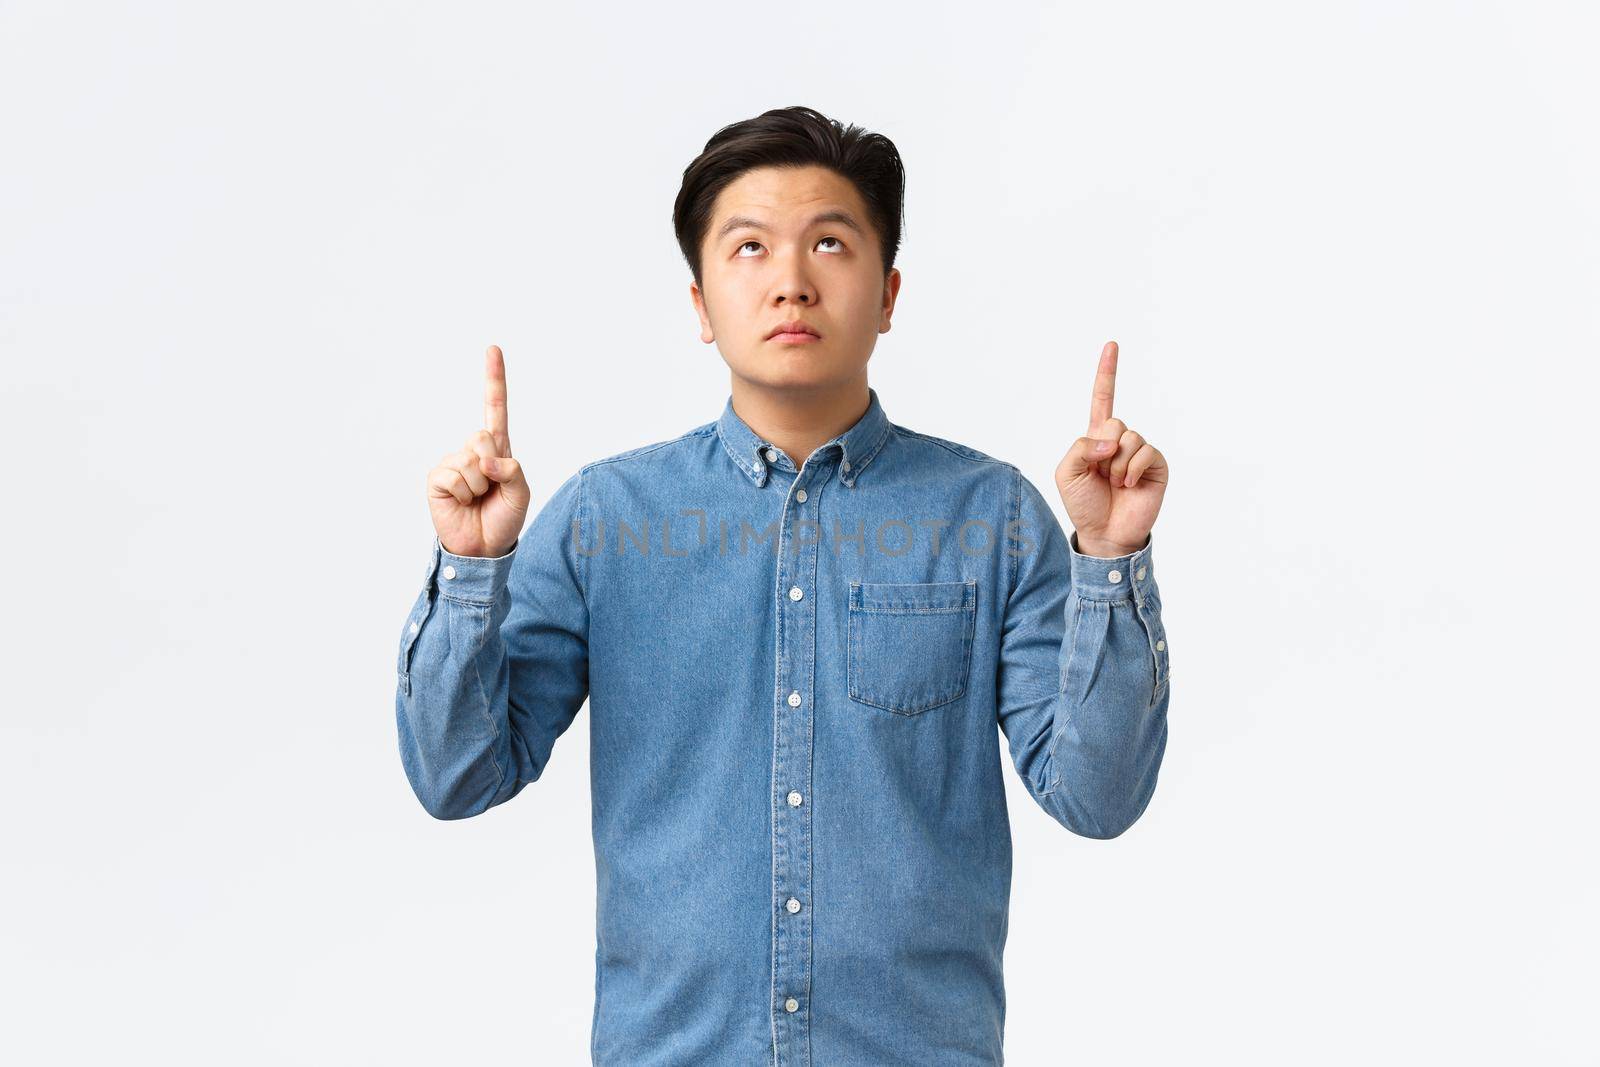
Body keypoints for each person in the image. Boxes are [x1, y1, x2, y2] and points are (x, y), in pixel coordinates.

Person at [395, 105, 1171, 1067]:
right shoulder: (605, 518)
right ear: (698, 303)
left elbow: (1097, 796)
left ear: (887, 294)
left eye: (830, 244)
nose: (792, 283)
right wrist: (472, 572)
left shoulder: (993, 517)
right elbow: (458, 777)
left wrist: (1108, 561)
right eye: (750, 247)